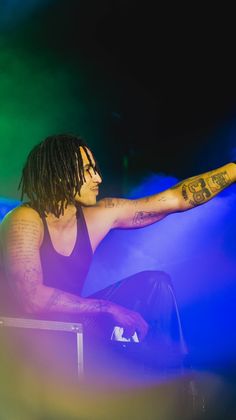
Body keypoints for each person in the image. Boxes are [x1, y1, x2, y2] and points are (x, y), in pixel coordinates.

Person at [0, 134, 235, 357]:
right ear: (60, 175)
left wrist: (233, 169)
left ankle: (171, 372)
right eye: (87, 170)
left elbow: (177, 198)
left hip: (75, 326)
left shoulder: (97, 216)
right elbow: (30, 299)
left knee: (155, 283)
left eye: (96, 170)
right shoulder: (24, 219)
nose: (98, 178)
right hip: (26, 339)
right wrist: (107, 308)